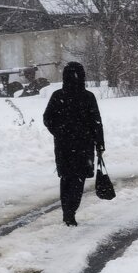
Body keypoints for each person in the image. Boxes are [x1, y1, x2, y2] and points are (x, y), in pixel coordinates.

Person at [43, 62, 105, 226]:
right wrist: (99, 144)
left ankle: (67, 212)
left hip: (64, 146)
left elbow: (47, 118)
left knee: (66, 179)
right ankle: (70, 211)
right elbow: (96, 122)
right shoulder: (87, 97)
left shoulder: (58, 96)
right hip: (84, 145)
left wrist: (59, 132)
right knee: (78, 180)